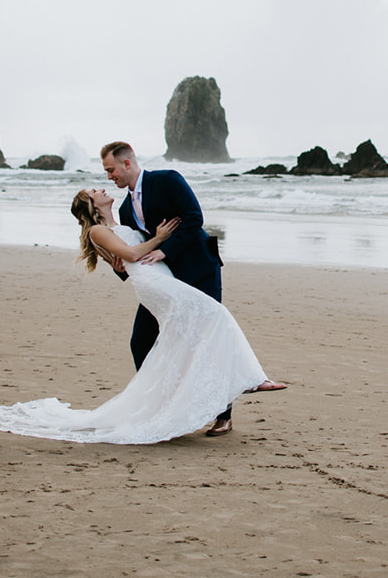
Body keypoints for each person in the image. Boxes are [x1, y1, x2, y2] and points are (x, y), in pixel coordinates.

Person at [0, 188, 277, 444]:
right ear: (91, 206)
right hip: (154, 283)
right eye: (95, 192)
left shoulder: (122, 222)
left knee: (190, 333)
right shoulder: (97, 230)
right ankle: (249, 380)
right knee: (215, 315)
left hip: (163, 278)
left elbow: (126, 255)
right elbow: (131, 257)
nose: (103, 189)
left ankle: (207, 394)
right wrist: (160, 238)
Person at [99, 141, 284, 435]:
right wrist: (121, 266)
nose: (109, 176)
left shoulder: (167, 179)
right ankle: (159, 406)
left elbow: (195, 218)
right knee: (141, 340)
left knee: (206, 339)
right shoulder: (124, 209)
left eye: (111, 170)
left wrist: (166, 250)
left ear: (127, 163)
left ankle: (224, 415)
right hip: (164, 283)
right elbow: (137, 250)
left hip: (199, 271)